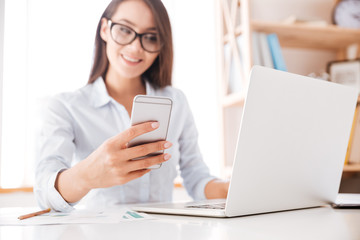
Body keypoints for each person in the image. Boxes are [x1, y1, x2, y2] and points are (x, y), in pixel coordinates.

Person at [34, 0, 229, 212]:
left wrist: (229, 190)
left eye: (151, 37)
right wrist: (87, 175)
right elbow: (45, 194)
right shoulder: (65, 107)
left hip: (162, 230)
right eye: (125, 30)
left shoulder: (176, 101)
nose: (135, 47)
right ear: (105, 29)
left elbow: (195, 175)